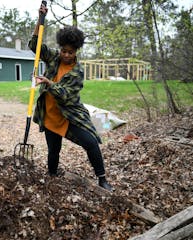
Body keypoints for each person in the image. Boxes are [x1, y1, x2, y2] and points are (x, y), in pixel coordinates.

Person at [28, 4, 113, 191]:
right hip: (50, 115)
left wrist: (49, 83)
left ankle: (102, 179)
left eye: (70, 52)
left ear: (76, 51)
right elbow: (35, 45)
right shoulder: (53, 59)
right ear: (60, 49)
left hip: (71, 115)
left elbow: (66, 96)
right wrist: (40, 19)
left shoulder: (78, 71)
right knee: (53, 151)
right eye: (64, 50)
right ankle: (52, 177)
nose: (66, 55)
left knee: (91, 142)